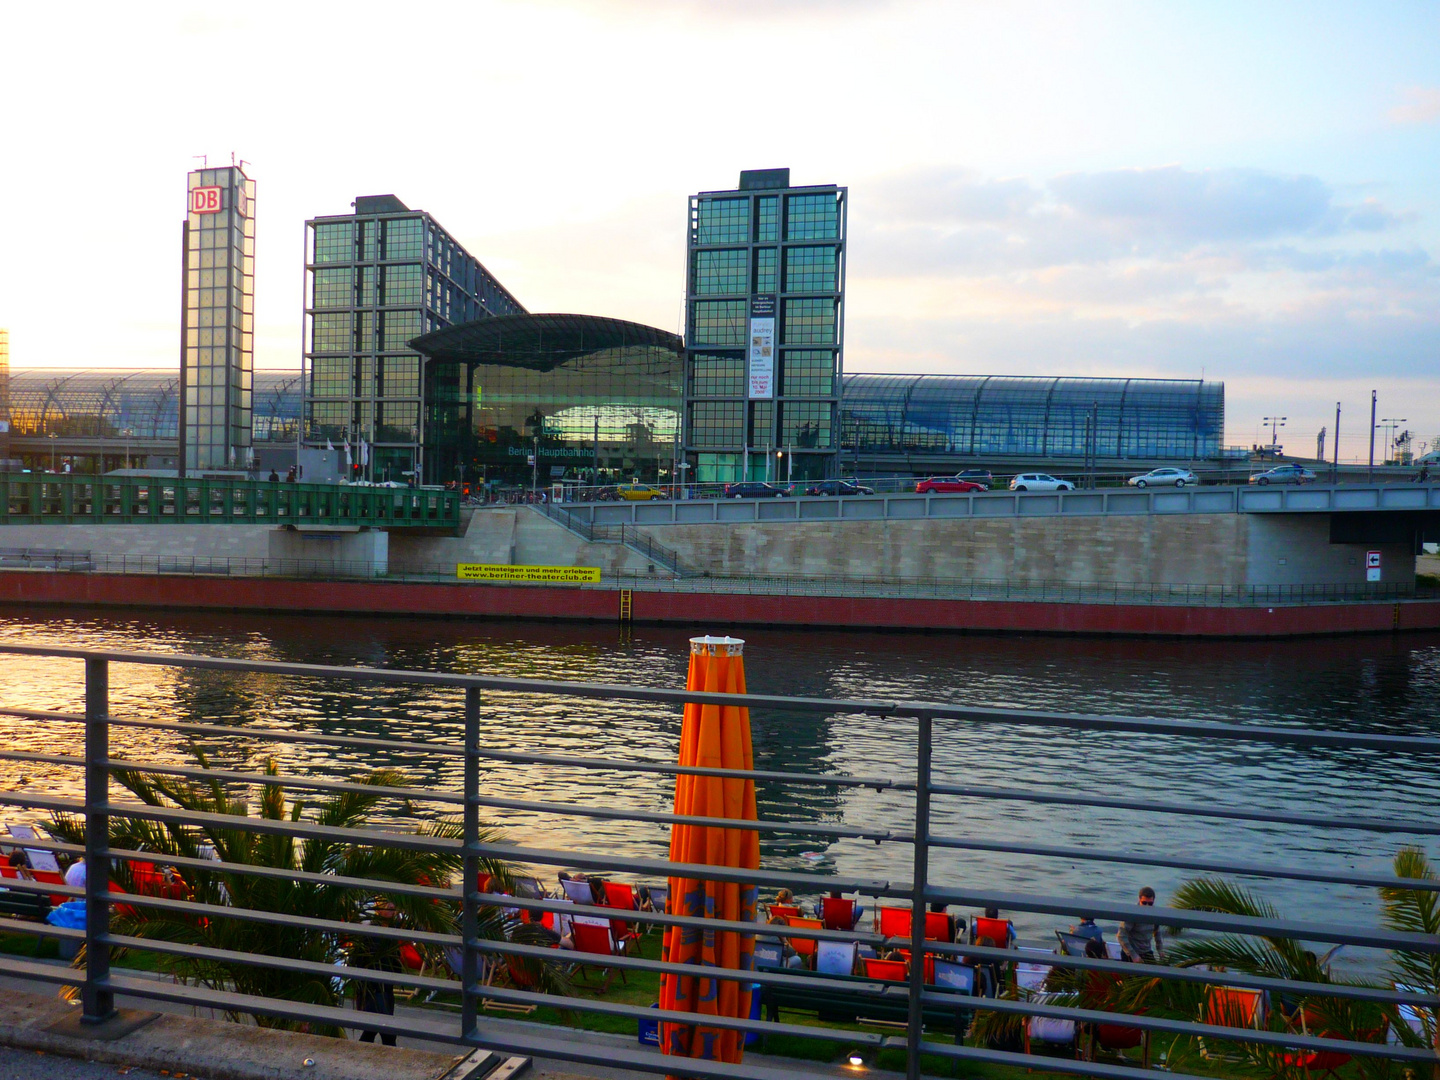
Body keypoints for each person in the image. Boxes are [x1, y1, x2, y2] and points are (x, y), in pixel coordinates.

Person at [351, 897, 401, 1046]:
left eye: (393, 907)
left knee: (374, 1029)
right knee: (384, 1030)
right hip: (375, 985)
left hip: (385, 983)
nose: (391, 909)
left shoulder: (392, 928)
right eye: (388, 907)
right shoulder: (373, 931)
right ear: (379, 909)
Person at [1117, 887, 1164, 964]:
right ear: (1139, 899)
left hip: (1147, 950)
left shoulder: (1155, 913)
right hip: (1132, 951)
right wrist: (1133, 955)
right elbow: (1121, 936)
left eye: (1150, 903)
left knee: (1154, 974)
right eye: (1144, 903)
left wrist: (1160, 950)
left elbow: (1157, 932)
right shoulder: (1133, 914)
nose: (1147, 906)